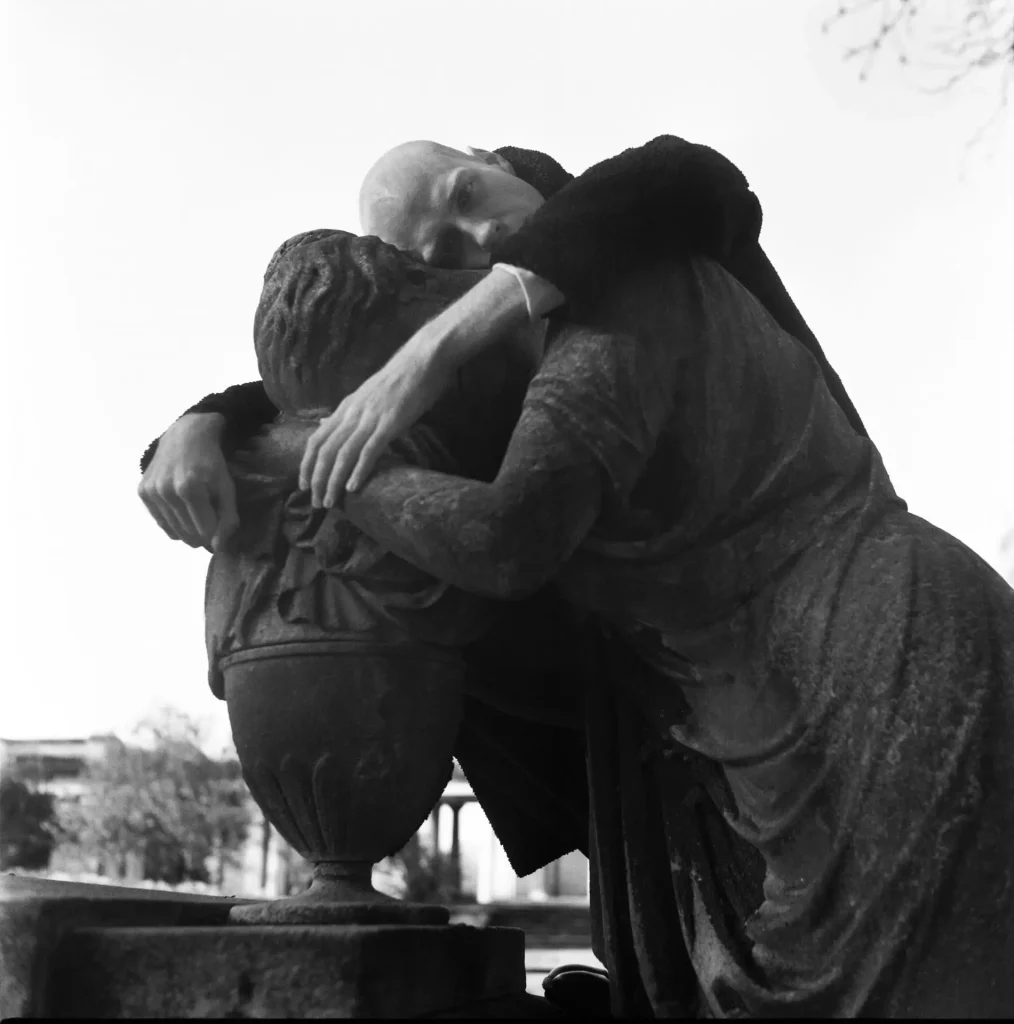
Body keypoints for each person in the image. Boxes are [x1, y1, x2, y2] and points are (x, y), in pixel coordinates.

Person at [139, 138, 1014, 1016]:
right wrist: (206, 424)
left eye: (470, 191)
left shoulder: (631, 260)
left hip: (872, 668)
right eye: (442, 256)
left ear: (488, 158)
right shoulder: (497, 359)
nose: (480, 237)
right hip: (725, 729)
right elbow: (330, 383)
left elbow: (679, 181)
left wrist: (339, 437)